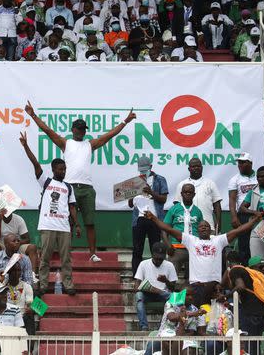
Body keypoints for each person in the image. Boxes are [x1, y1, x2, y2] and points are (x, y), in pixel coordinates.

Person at [25, 101, 136, 262]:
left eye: (84, 129)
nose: (82, 132)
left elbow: (109, 135)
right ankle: (65, 253)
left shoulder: (89, 144)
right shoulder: (65, 143)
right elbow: (47, 131)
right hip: (68, 188)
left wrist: (125, 121)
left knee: (90, 223)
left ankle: (93, 253)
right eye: (80, 129)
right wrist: (33, 115)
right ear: (73, 130)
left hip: (86, 189)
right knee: (66, 222)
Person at [145, 210, 260, 304]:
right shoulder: (191, 240)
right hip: (196, 286)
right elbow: (169, 229)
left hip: (213, 286)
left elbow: (239, 230)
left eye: (206, 226)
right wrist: (154, 218)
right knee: (196, 315)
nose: (204, 228)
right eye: (201, 226)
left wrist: (254, 220)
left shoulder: (218, 240)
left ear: (210, 229)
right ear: (197, 230)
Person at [20, 131, 78, 296]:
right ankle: (43, 285)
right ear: (53, 169)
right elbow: (35, 163)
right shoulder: (46, 181)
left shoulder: (68, 187)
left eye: (65, 169)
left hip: (64, 227)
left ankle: (68, 285)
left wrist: (77, 224)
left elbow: (72, 207)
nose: (63, 171)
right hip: (47, 225)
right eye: (60, 169)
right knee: (44, 258)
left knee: (66, 259)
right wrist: (26, 146)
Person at [128, 155, 168, 275]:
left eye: (145, 169)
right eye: (141, 169)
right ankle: (137, 275)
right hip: (138, 219)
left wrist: (151, 192)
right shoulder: (134, 181)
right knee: (137, 249)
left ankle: (156, 275)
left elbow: (163, 199)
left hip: (154, 218)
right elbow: (130, 204)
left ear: (151, 167)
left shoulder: (160, 179)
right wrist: (131, 195)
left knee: (155, 249)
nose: (143, 172)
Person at [162, 183, 203, 283]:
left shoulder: (198, 211)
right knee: (171, 278)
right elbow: (164, 229)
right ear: (181, 194)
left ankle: (190, 298)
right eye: (185, 192)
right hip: (176, 249)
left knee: (192, 280)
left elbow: (202, 231)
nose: (188, 194)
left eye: (190, 192)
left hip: (193, 249)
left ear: (194, 194)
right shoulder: (174, 209)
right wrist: (168, 246)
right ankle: (169, 297)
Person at [134, 242, 178, 331]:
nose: (158, 261)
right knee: (139, 296)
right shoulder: (144, 264)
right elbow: (136, 286)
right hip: (148, 294)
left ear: (165, 256)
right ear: (152, 254)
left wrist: (166, 281)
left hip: (162, 294)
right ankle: (144, 327)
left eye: (161, 259)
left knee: (174, 297)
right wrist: (149, 289)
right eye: (156, 258)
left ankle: (164, 327)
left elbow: (173, 288)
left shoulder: (169, 265)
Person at [172, 157, 223, 233]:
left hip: (208, 226)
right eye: (193, 166)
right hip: (187, 227)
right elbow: (177, 206)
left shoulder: (210, 183)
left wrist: (218, 223)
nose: (196, 168)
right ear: (189, 169)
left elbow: (217, 205)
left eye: (198, 166)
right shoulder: (182, 184)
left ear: (202, 168)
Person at [0, 208, 38, 275]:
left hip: (16, 244)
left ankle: (32, 275)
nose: (5, 210)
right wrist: (0, 220)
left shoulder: (18, 219)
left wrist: (16, 243)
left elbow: (27, 239)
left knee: (32, 247)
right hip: (2, 245)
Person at [227, 153, 258, 261]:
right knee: (244, 243)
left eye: (243, 162)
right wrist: (234, 217)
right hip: (244, 214)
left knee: (260, 242)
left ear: (250, 163)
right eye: (239, 162)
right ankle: (245, 267)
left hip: (259, 213)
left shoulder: (259, 177)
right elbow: (232, 199)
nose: (240, 164)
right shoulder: (234, 179)